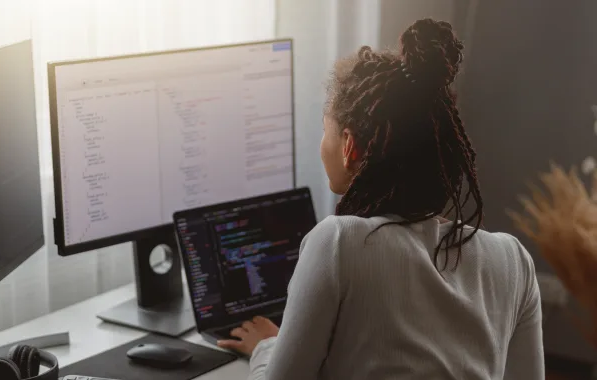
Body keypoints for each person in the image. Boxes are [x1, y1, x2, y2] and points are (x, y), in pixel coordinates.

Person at [217, 18, 544, 379]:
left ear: (348, 147)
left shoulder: (339, 244)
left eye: (325, 132)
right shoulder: (514, 261)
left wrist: (266, 345)